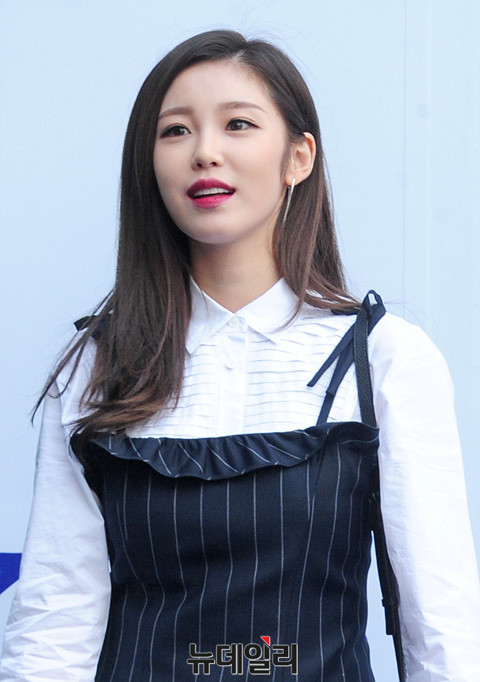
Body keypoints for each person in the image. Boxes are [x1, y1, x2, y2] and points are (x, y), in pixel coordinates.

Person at [0, 29, 479, 682]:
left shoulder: (384, 358)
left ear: (298, 157)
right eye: (175, 131)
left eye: (238, 125)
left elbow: (442, 622)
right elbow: (56, 615)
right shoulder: (96, 365)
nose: (205, 152)